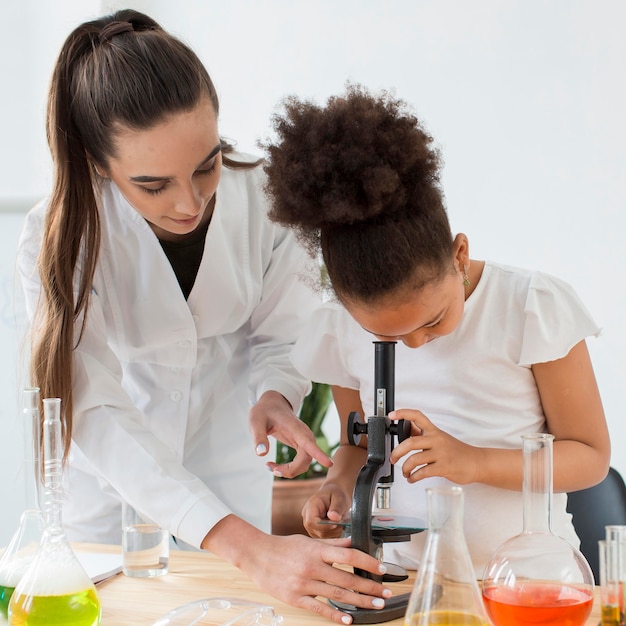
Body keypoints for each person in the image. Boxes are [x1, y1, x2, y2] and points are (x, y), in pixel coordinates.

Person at [17, 13, 391, 623]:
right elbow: (95, 410)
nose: (188, 202)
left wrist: (275, 394)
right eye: (152, 184)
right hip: (109, 507)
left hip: (228, 478)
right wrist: (250, 548)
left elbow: (280, 332)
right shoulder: (55, 237)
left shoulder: (265, 197)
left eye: (206, 164)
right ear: (96, 162)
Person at [261, 84, 611, 576]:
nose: (416, 344)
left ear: (459, 254)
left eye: (430, 320)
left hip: (528, 581)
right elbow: (357, 445)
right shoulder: (340, 331)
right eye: (387, 337)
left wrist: (474, 462)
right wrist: (336, 488)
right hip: (409, 577)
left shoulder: (530, 307)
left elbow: (590, 456)